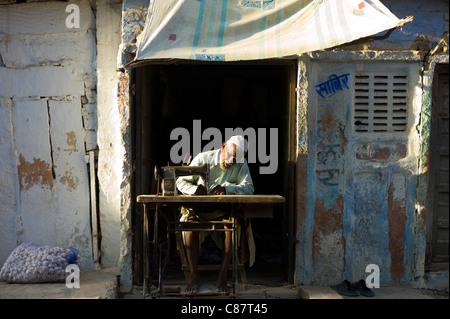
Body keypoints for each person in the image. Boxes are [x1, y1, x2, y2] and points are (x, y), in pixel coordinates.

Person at [176, 135, 254, 294]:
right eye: (230, 155)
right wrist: (194, 190)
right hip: (199, 210)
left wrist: (227, 190)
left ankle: (223, 276)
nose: (231, 160)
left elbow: (249, 188)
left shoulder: (240, 163)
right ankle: (194, 276)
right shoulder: (203, 158)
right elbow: (180, 181)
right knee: (190, 227)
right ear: (223, 146)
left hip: (223, 211)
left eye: (236, 158)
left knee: (231, 228)